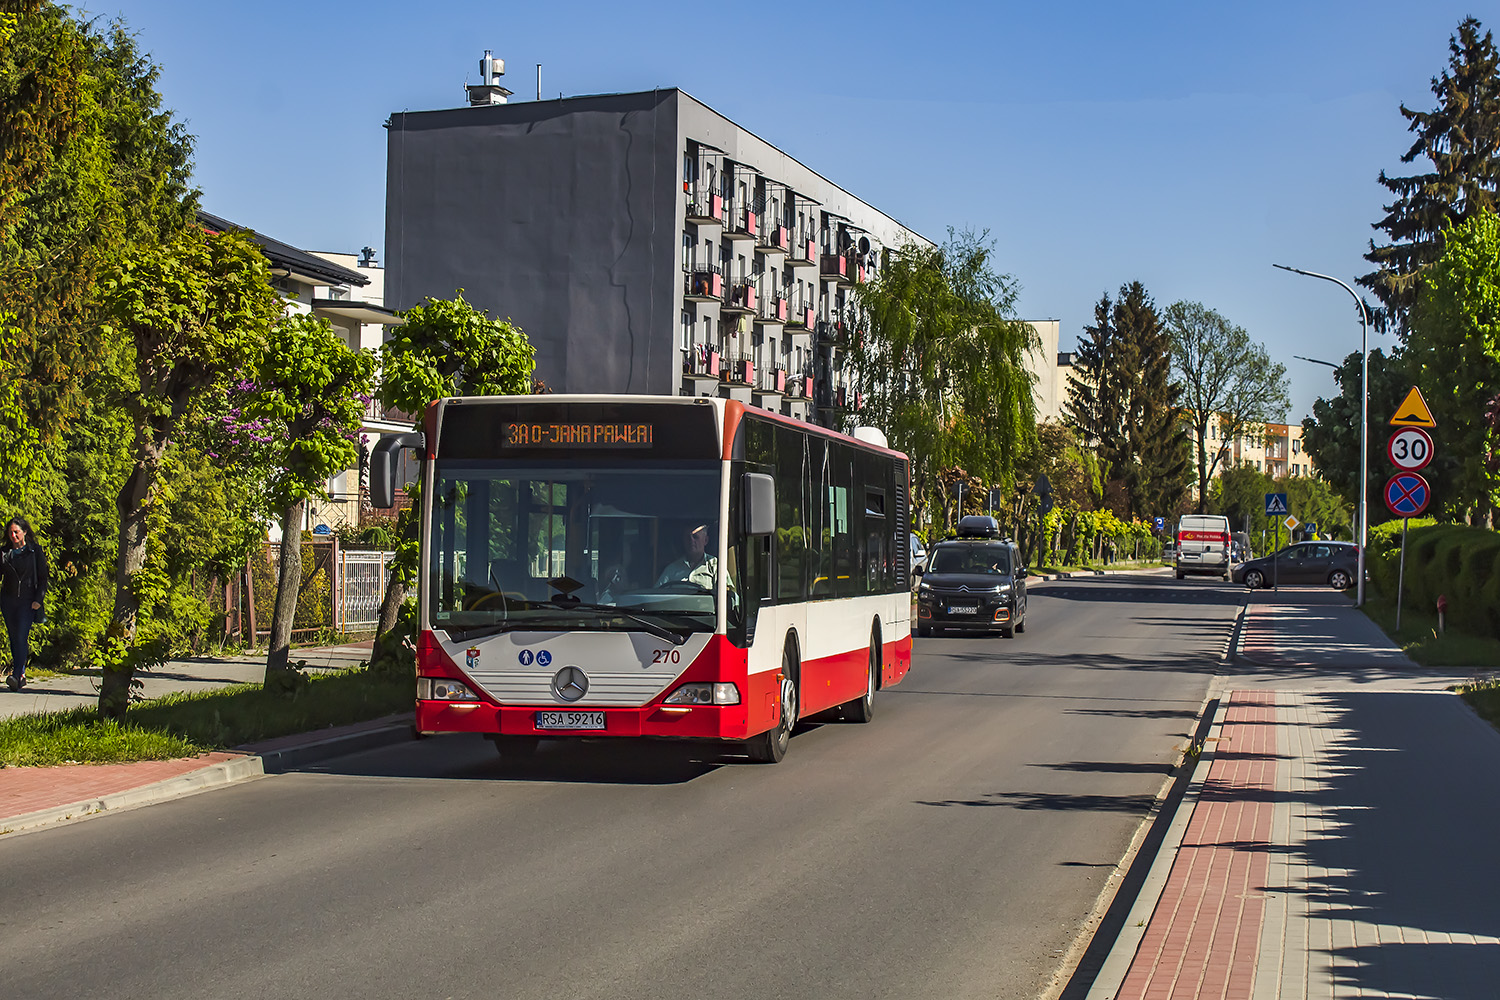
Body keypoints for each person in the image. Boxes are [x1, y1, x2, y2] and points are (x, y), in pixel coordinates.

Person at [2, 518, 50, 691]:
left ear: (25, 532)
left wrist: (38, 599)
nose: (13, 535)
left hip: (28, 601)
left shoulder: (34, 551)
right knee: (14, 638)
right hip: (8, 600)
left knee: (21, 636)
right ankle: (20, 673)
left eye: (16, 532)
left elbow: (43, 578)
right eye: (11, 533)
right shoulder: (5, 552)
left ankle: (16, 674)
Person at [656, 522, 717, 589]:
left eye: (695, 537)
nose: (691, 540)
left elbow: (728, 595)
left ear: (705, 540)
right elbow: (656, 594)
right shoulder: (671, 569)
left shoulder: (715, 566)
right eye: (687, 537)